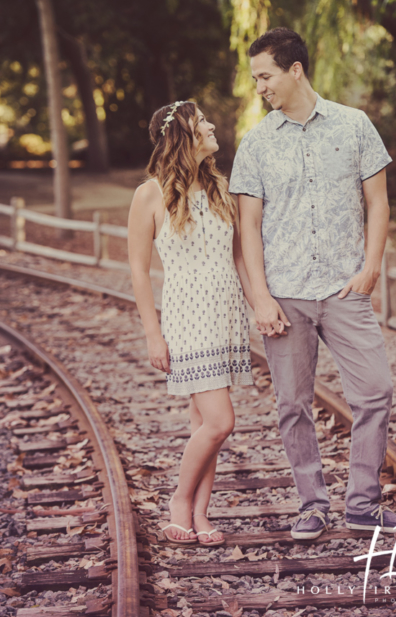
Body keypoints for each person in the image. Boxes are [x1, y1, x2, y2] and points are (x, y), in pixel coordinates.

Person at [229, 27, 396, 538]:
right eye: (255, 78)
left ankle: (361, 503)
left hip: (344, 288)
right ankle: (312, 503)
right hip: (285, 295)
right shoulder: (256, 143)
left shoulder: (355, 125)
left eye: (265, 75)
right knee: (293, 405)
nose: (259, 87)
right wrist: (261, 298)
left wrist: (370, 268)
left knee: (376, 391)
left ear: (295, 70)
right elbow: (247, 225)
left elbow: (378, 203)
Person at [128, 100, 253, 546]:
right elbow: (139, 271)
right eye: (202, 122)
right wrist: (152, 334)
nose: (212, 125)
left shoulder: (220, 187)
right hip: (187, 321)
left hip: (225, 318)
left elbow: (238, 256)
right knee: (221, 422)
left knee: (205, 423)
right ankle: (180, 502)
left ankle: (201, 515)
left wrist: (258, 306)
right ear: (183, 134)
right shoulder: (150, 194)